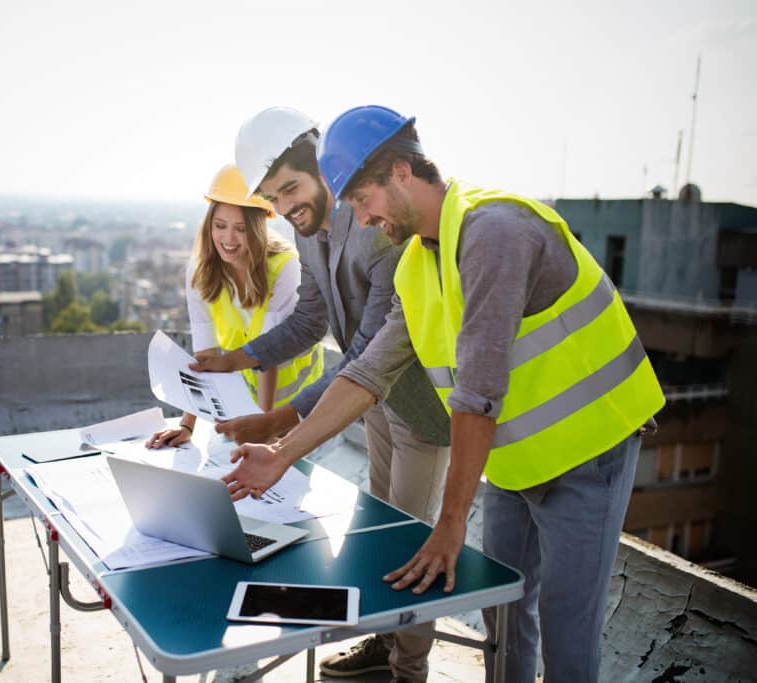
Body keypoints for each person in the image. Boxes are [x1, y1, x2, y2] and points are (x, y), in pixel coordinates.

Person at [222, 105, 665, 683]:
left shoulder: (495, 232)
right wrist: (281, 456)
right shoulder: (415, 263)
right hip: (515, 459)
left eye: (362, 198)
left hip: (590, 454)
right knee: (504, 614)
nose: (359, 216)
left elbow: (477, 393)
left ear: (402, 172)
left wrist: (451, 522)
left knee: (565, 625)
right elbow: (367, 373)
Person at [189, 107, 450, 683]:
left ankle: (410, 672)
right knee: (378, 535)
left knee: (412, 549)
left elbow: (365, 356)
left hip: (418, 411)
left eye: (291, 189)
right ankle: (383, 645)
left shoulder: (377, 231)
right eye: (272, 198)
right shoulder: (311, 231)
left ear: (322, 170)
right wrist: (239, 357)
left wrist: (281, 419)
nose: (284, 208)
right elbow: (311, 317)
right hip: (373, 407)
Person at [147, 164, 323, 448]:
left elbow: (270, 353)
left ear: (257, 227)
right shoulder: (199, 270)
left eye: (240, 229)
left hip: (300, 407)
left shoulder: (284, 266)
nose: (228, 239)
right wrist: (186, 425)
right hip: (248, 407)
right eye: (220, 226)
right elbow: (204, 357)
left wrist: (265, 431)